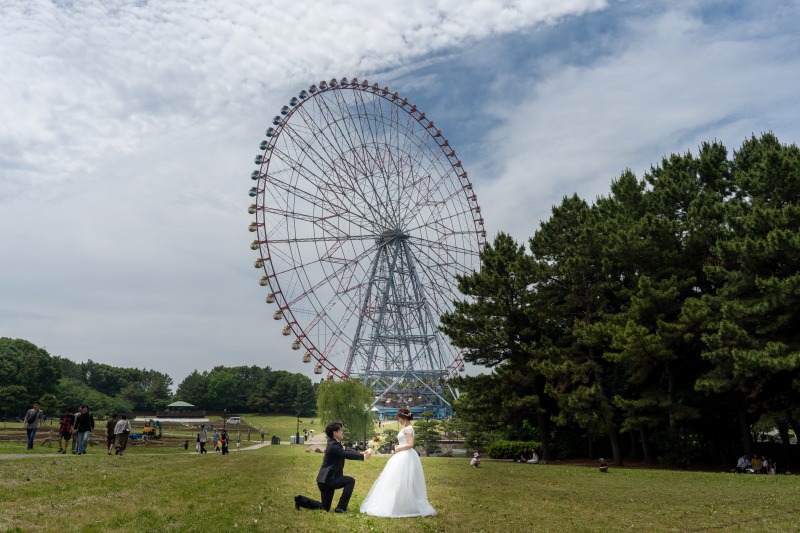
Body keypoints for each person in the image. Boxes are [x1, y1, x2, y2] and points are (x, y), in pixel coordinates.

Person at [360, 407, 436, 518]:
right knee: (396, 479)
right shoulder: (406, 428)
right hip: (401, 454)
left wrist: (399, 447)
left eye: (399, 418)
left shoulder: (408, 429)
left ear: (404, 418)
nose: (398, 420)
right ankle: (397, 502)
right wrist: (398, 446)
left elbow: (411, 444)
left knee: (402, 479)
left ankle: (403, 504)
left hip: (406, 455)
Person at [294, 421, 372, 513]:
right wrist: (363, 457)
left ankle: (300, 500)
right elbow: (345, 454)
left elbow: (347, 451)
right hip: (329, 479)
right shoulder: (334, 446)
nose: (342, 432)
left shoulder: (334, 443)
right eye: (341, 430)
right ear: (335, 433)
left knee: (325, 507)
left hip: (324, 480)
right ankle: (341, 508)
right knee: (350, 481)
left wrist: (361, 453)